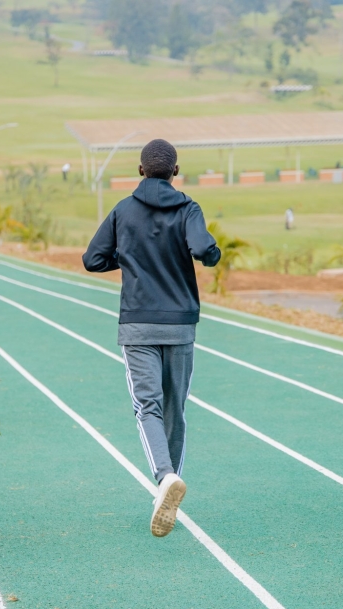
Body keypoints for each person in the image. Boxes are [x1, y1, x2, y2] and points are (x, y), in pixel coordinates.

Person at [83, 139, 220, 538]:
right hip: (180, 324)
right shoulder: (189, 208)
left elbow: (93, 259)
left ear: (140, 171)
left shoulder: (123, 210)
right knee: (175, 408)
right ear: (175, 171)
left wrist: (126, 258)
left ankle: (164, 479)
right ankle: (168, 484)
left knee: (149, 407)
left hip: (139, 324)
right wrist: (211, 254)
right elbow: (202, 248)